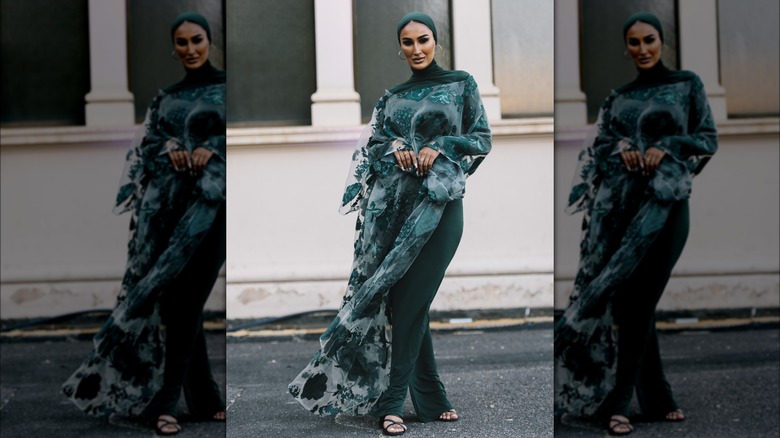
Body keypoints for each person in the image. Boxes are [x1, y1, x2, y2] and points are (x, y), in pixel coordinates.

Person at [287, 12, 491, 436]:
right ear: (399, 48)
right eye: (408, 42)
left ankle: (391, 402)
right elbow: (371, 149)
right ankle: (432, 398)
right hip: (392, 210)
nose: (417, 49)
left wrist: (441, 147)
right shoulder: (390, 97)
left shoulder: (461, 84)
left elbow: (482, 139)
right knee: (404, 304)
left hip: (439, 208)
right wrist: (396, 148)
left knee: (413, 301)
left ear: (437, 42)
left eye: (424, 40)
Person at [62, 12, 226, 436]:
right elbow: (143, 149)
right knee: (177, 305)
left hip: (213, 216)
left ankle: (165, 401)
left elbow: (241, 143)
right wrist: (169, 146)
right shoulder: (164, 98)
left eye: (197, 40)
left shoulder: (229, 89)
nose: (191, 49)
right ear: (174, 49)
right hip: (167, 214)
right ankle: (206, 400)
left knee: (185, 303)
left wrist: (214, 148)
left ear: (210, 41)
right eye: (183, 42)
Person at [554, 12, 718, 436]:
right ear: (626, 48)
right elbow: (599, 148)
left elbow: (707, 140)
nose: (642, 49)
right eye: (634, 43)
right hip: (620, 210)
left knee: (640, 300)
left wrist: (666, 147)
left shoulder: (687, 85)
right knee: (631, 304)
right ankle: (659, 399)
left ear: (662, 42)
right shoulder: (618, 96)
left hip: (666, 208)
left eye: (649, 40)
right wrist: (624, 148)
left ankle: (617, 402)